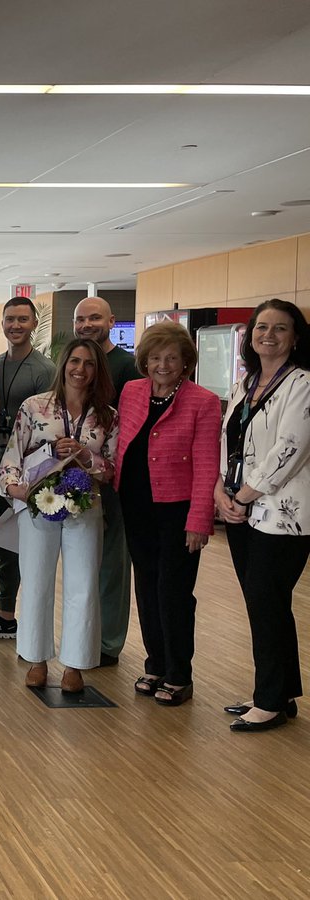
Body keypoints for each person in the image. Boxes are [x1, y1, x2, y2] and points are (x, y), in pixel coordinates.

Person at [0, 338, 118, 693]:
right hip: (39, 504)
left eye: (89, 364)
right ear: (63, 364)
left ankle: (75, 664)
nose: (80, 370)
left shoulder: (108, 415)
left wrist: (85, 454)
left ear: (98, 371)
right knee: (35, 581)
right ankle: (36, 659)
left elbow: (112, 469)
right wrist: (15, 488)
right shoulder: (35, 407)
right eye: (75, 361)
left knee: (83, 585)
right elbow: (11, 457)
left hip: (85, 506)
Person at [214, 299, 310, 732]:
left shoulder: (302, 383)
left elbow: (289, 448)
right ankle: (280, 692)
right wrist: (221, 490)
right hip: (240, 509)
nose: (268, 335)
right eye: (261, 327)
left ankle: (269, 700)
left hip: (282, 515)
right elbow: (227, 439)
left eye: (280, 328)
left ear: (296, 336)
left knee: (266, 603)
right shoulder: (246, 382)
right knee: (266, 604)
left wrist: (246, 493)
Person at [115, 321, 220, 706]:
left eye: (171, 358)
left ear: (186, 362)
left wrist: (199, 519)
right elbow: (121, 442)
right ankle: (155, 662)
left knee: (173, 591)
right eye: (156, 357)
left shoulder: (202, 401)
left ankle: (179, 672)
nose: (162, 365)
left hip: (177, 509)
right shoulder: (132, 391)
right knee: (146, 585)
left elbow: (208, 464)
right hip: (136, 503)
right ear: (144, 360)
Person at [0, 297, 55, 640]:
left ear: (34, 323)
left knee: (31, 542)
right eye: (10, 319)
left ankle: (33, 616)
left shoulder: (44, 370)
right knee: (4, 540)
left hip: (32, 468)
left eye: (22, 319)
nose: (15, 325)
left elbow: (46, 424)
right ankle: (6, 616)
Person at [73, 295, 144, 667]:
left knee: (112, 564)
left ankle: (108, 642)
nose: (86, 324)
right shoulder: (72, 364)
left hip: (111, 483)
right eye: (81, 319)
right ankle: (84, 634)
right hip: (72, 483)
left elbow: (130, 431)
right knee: (85, 563)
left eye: (94, 318)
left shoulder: (126, 368)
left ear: (112, 321)